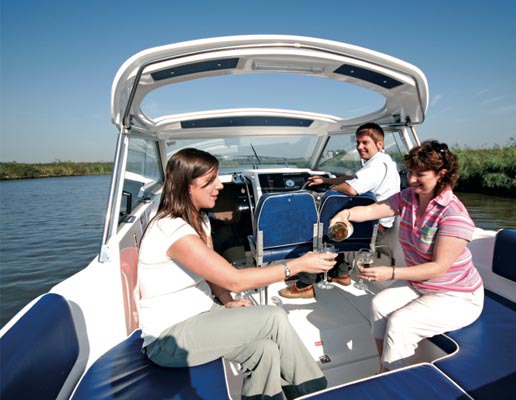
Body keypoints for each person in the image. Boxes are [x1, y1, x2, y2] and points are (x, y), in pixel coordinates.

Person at [137, 148, 335, 400]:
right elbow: (234, 279)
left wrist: (228, 302)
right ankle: (317, 394)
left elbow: (212, 274)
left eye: (217, 177)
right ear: (187, 186)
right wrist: (297, 265)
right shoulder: (170, 230)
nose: (220, 185)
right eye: (210, 181)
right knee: (274, 318)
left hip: (203, 313)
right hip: (168, 338)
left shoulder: (198, 220)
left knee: (264, 350)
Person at [328, 140, 484, 372]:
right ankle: (384, 369)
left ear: (442, 174)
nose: (411, 179)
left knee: (402, 323)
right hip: (422, 285)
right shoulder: (408, 198)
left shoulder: (453, 215)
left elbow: (438, 268)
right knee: (379, 304)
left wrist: (390, 272)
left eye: (420, 174)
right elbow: (372, 210)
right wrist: (345, 214)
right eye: (409, 172)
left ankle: (395, 383)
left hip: (456, 296)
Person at [279, 122, 400, 299]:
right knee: (334, 223)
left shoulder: (377, 165)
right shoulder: (383, 162)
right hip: (374, 225)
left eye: (365, 143)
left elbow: (352, 189)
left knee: (317, 232)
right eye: (358, 143)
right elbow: (353, 179)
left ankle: (305, 284)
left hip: (371, 227)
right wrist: (326, 181)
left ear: (380, 144)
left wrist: (330, 191)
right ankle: (341, 273)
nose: (360, 147)